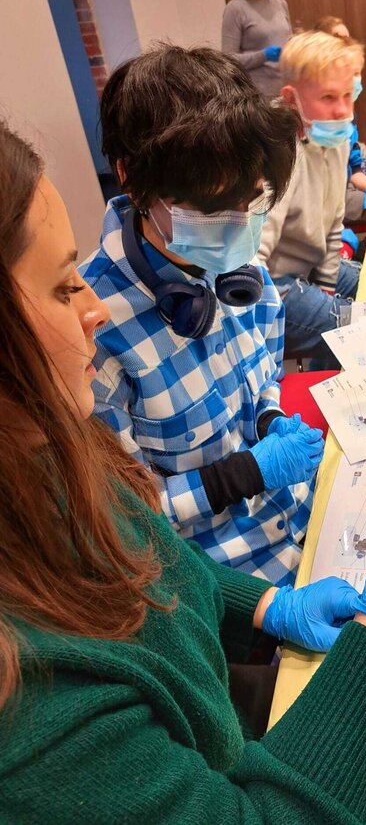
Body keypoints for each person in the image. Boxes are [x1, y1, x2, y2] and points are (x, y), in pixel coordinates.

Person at [0, 119, 366, 821]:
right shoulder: (31, 714)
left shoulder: (42, 448)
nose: (92, 311)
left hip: (226, 682)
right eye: (61, 289)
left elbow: (149, 554)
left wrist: (266, 609)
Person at [80, 45, 321, 588]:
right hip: (232, 581)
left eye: (249, 202)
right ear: (131, 178)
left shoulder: (239, 269)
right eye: (211, 209)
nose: (237, 226)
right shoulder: (95, 331)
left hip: (303, 517)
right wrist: (241, 475)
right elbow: (123, 525)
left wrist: (269, 420)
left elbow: (264, 379)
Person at [257, 30, 362, 369]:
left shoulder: (336, 139)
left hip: (310, 266)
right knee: (361, 329)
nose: (342, 110)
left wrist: (327, 288)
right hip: (274, 282)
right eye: (328, 97)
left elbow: (334, 222)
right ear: (291, 99)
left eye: (348, 95)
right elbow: (254, 257)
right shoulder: (278, 151)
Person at [314, 16, 366, 225]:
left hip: (341, 190)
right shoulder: (315, 128)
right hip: (327, 202)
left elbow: (353, 168)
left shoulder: (346, 110)